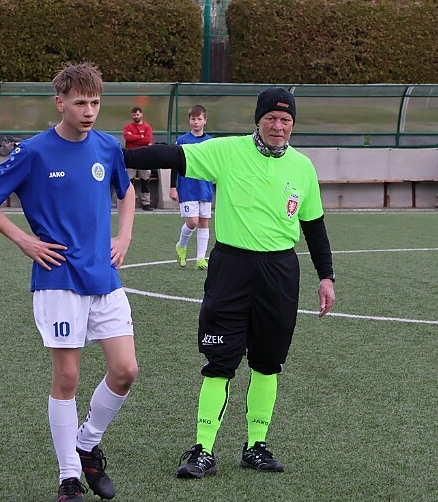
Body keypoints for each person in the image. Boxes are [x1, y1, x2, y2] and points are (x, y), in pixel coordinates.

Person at [124, 87, 336, 480]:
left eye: (286, 120)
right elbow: (173, 156)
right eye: (271, 118)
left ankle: (256, 447)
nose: (278, 126)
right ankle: (203, 450)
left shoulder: (303, 167)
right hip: (232, 269)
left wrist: (326, 276)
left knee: (268, 363)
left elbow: (314, 226)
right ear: (258, 120)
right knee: (219, 362)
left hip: (280, 273)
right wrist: (116, 156)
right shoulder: (228, 151)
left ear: (293, 125)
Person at [0, 63, 137, 502]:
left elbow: (126, 192)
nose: (89, 111)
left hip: (104, 277)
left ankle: (87, 443)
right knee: (67, 377)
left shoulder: (108, 146)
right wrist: (23, 240)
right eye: (80, 103)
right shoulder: (34, 152)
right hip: (58, 276)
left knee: (126, 370)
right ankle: (68, 478)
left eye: (95, 102)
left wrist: (124, 236)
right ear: (60, 103)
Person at [170, 105, 214, 270]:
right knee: (192, 222)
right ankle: (181, 246)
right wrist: (172, 187)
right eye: (193, 119)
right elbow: (175, 164)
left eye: (199, 119)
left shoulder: (210, 141)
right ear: (189, 120)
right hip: (188, 187)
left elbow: (215, 163)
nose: (196, 122)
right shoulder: (182, 141)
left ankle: (200, 259)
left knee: (204, 221)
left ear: (205, 120)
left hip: (205, 187)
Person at [123, 106, 154, 211]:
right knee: (129, 181)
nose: (136, 116)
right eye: (134, 115)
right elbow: (127, 137)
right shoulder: (128, 127)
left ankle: (146, 203)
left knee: (145, 180)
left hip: (144, 157)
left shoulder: (147, 127)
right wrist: (140, 137)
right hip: (130, 157)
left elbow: (147, 140)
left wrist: (134, 138)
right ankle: (128, 202)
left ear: (141, 114)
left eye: (137, 114)